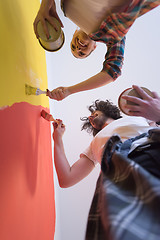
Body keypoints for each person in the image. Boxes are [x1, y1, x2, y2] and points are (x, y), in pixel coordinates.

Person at [52, 98, 160, 239]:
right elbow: (66, 179)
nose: (91, 117)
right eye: (90, 118)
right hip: (123, 175)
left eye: (95, 113)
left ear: (108, 111)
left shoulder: (139, 119)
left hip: (151, 149)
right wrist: (57, 139)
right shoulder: (94, 145)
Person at [34, 0, 160, 101]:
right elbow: (112, 72)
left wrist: (46, 5)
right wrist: (68, 90)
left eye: (73, 46)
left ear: (73, 34)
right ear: (94, 47)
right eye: (82, 53)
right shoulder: (112, 36)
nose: (78, 48)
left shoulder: (66, 8)